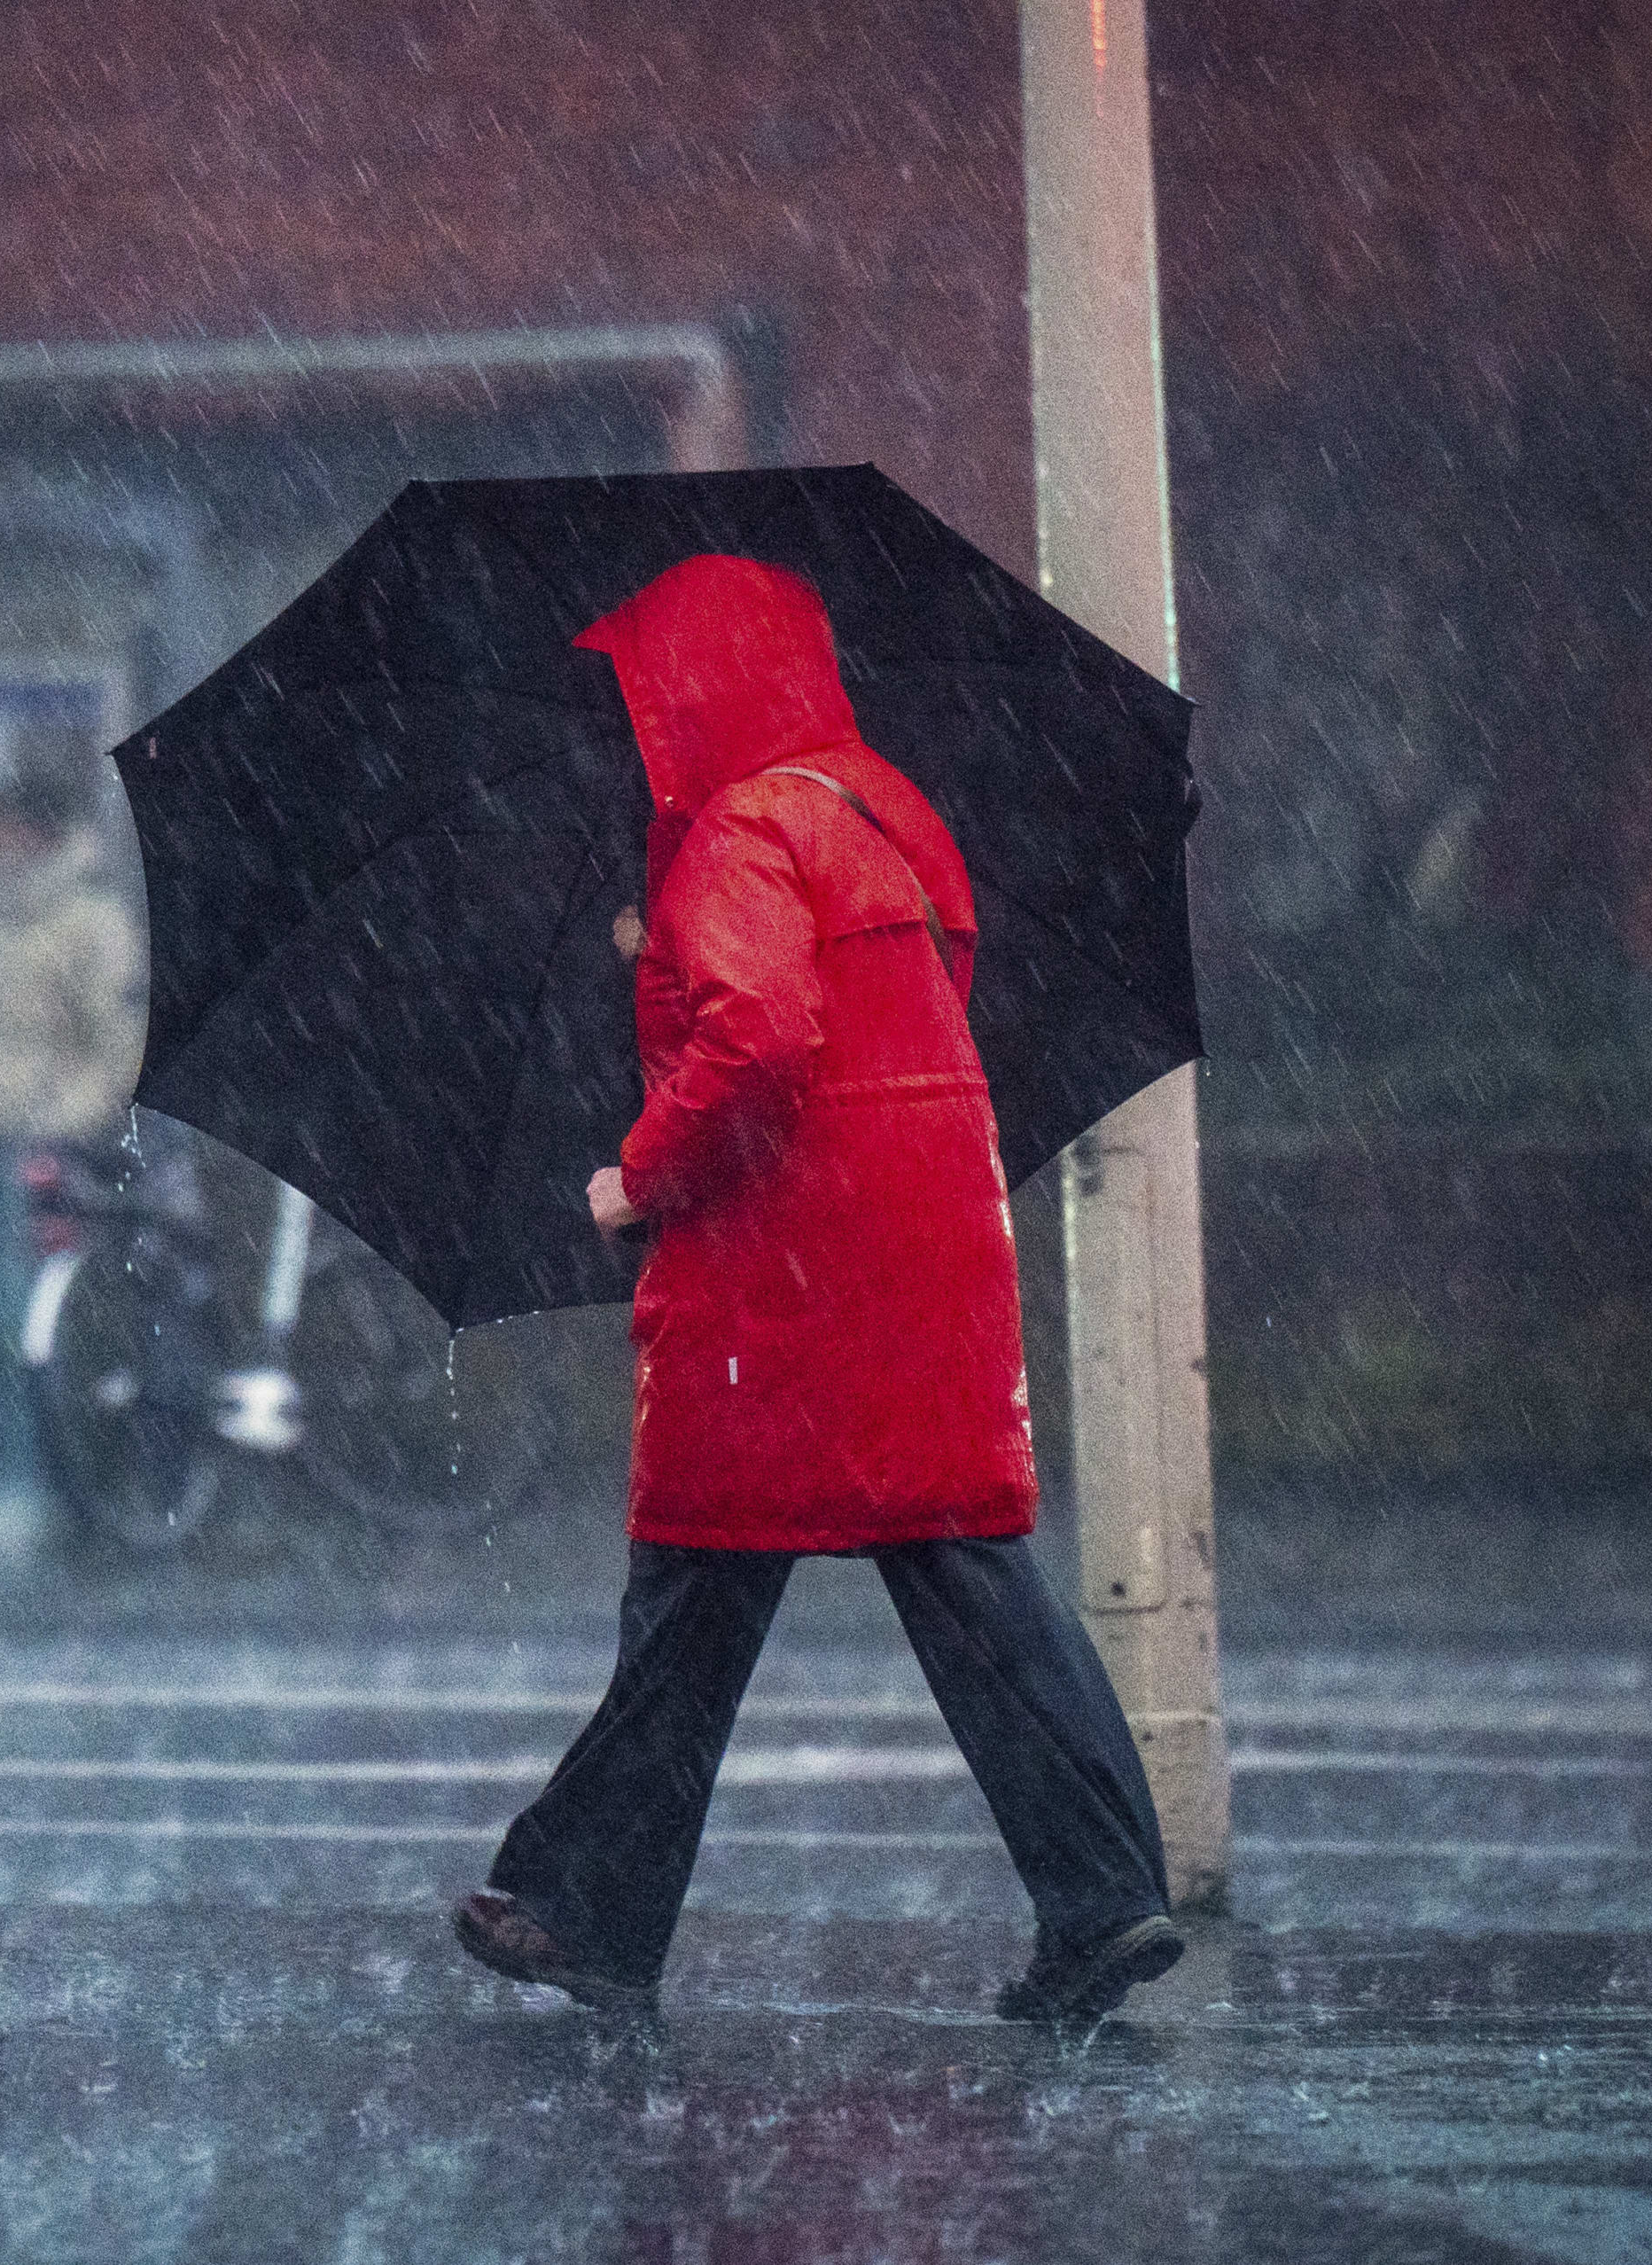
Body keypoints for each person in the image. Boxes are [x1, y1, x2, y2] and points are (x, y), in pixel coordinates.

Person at [451, 554, 1181, 2026]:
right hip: (923, 1239)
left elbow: (761, 1043)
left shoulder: (739, 832)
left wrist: (635, 1173)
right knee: (960, 1565)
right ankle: (1106, 1902)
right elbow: (905, 1004)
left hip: (783, 1270)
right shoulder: (880, 812)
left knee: (697, 1579)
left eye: (651, 703)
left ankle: (588, 1908)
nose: (643, 734)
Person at [0, 762, 144, 1518]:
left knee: (24, 1323)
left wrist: (59, 1122)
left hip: (42, 1154)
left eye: (2, 830)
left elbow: (117, 1049)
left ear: (39, 834)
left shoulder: (94, 921)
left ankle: (26, 1487)